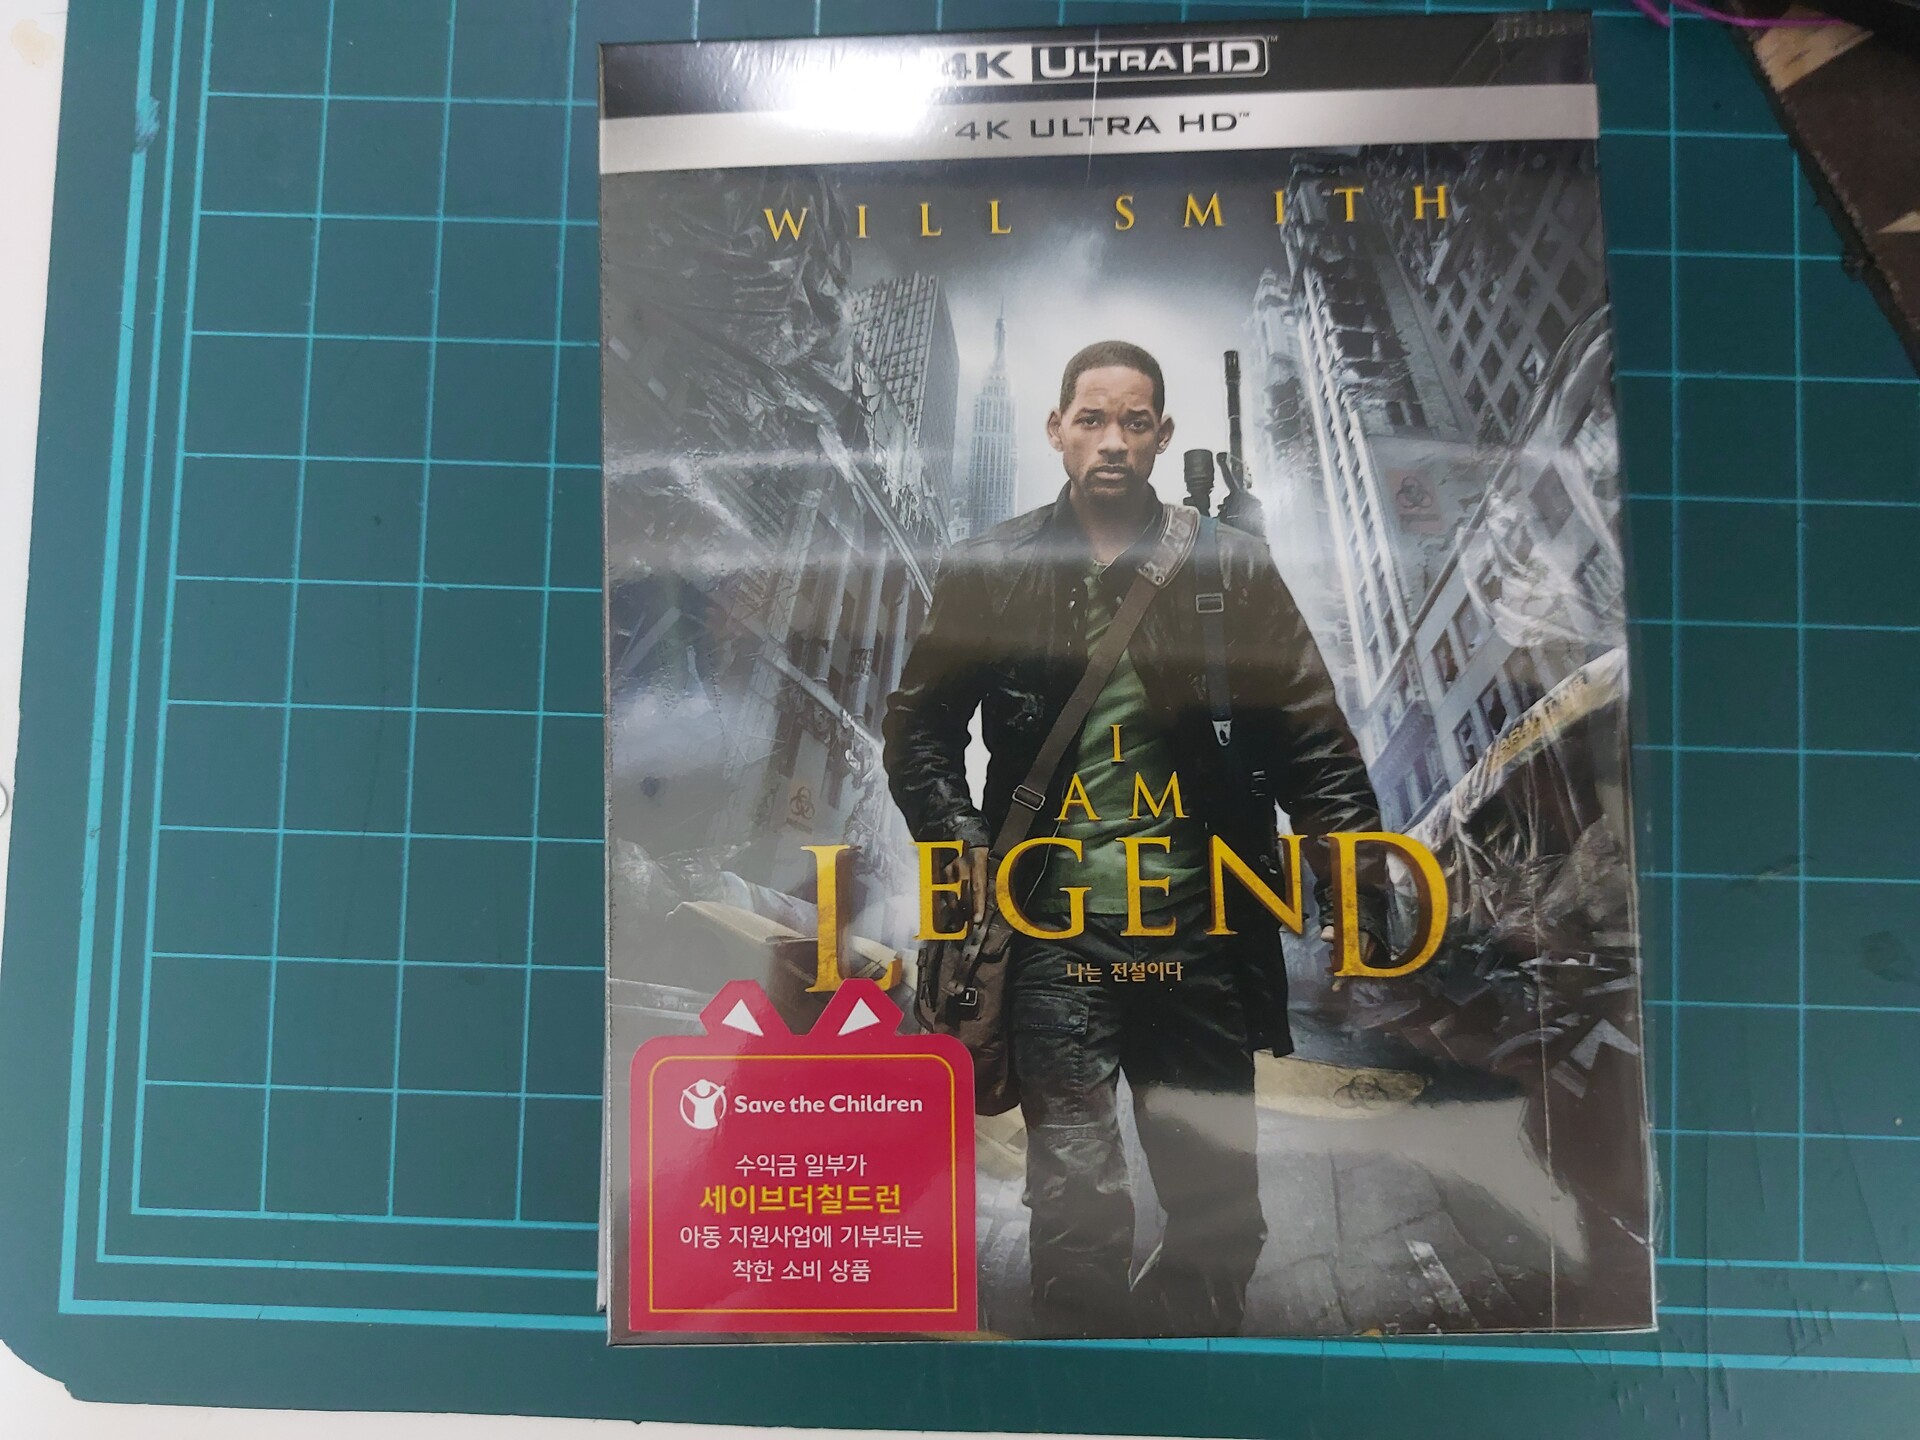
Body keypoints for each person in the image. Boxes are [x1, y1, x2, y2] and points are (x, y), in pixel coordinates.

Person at [882, 340, 1387, 1338]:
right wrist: (960, 837)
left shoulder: (1231, 563)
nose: (1113, 440)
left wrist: (1353, 876)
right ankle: (1081, 1374)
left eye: (1135, 421)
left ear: (1161, 437)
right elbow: (918, 728)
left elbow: (1311, 734)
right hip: (1052, 934)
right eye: (1092, 419)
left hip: (1200, 934)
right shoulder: (994, 567)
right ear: (1057, 431)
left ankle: (1180, 1370)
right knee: (1073, 1205)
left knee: (1217, 1210)